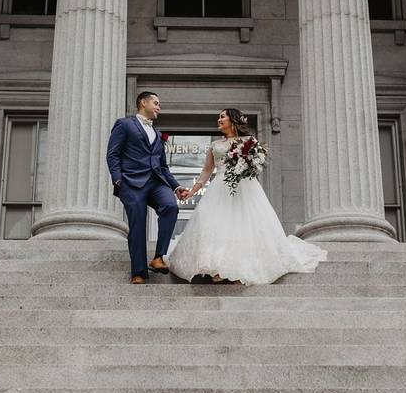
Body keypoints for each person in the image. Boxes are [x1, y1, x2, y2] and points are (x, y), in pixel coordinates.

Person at [166, 108, 327, 285]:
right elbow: (206, 172)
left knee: (242, 225)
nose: (218, 120)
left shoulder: (249, 142)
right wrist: (192, 191)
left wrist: (248, 165)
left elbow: (256, 165)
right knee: (215, 224)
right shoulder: (215, 145)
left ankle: (238, 269)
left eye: (222, 117)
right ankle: (217, 267)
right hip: (219, 188)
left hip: (245, 189)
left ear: (232, 120)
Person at [106, 91, 189, 284]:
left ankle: (159, 257)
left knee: (170, 206)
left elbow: (163, 167)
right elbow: (112, 154)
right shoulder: (125, 124)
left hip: (156, 182)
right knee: (138, 225)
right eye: (156, 103)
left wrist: (176, 187)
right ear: (143, 103)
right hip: (131, 182)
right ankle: (139, 272)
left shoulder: (158, 134)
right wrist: (118, 179)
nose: (159, 107)